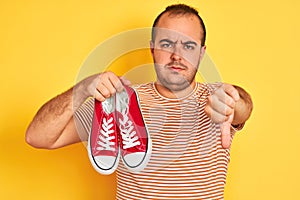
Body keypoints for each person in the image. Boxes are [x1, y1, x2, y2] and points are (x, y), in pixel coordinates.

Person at [26, 4, 253, 199]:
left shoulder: (217, 98)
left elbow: (243, 106)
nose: (177, 55)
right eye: (167, 44)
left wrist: (234, 102)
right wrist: (82, 89)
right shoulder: (118, 102)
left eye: (188, 46)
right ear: (152, 48)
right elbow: (37, 137)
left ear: (202, 53)